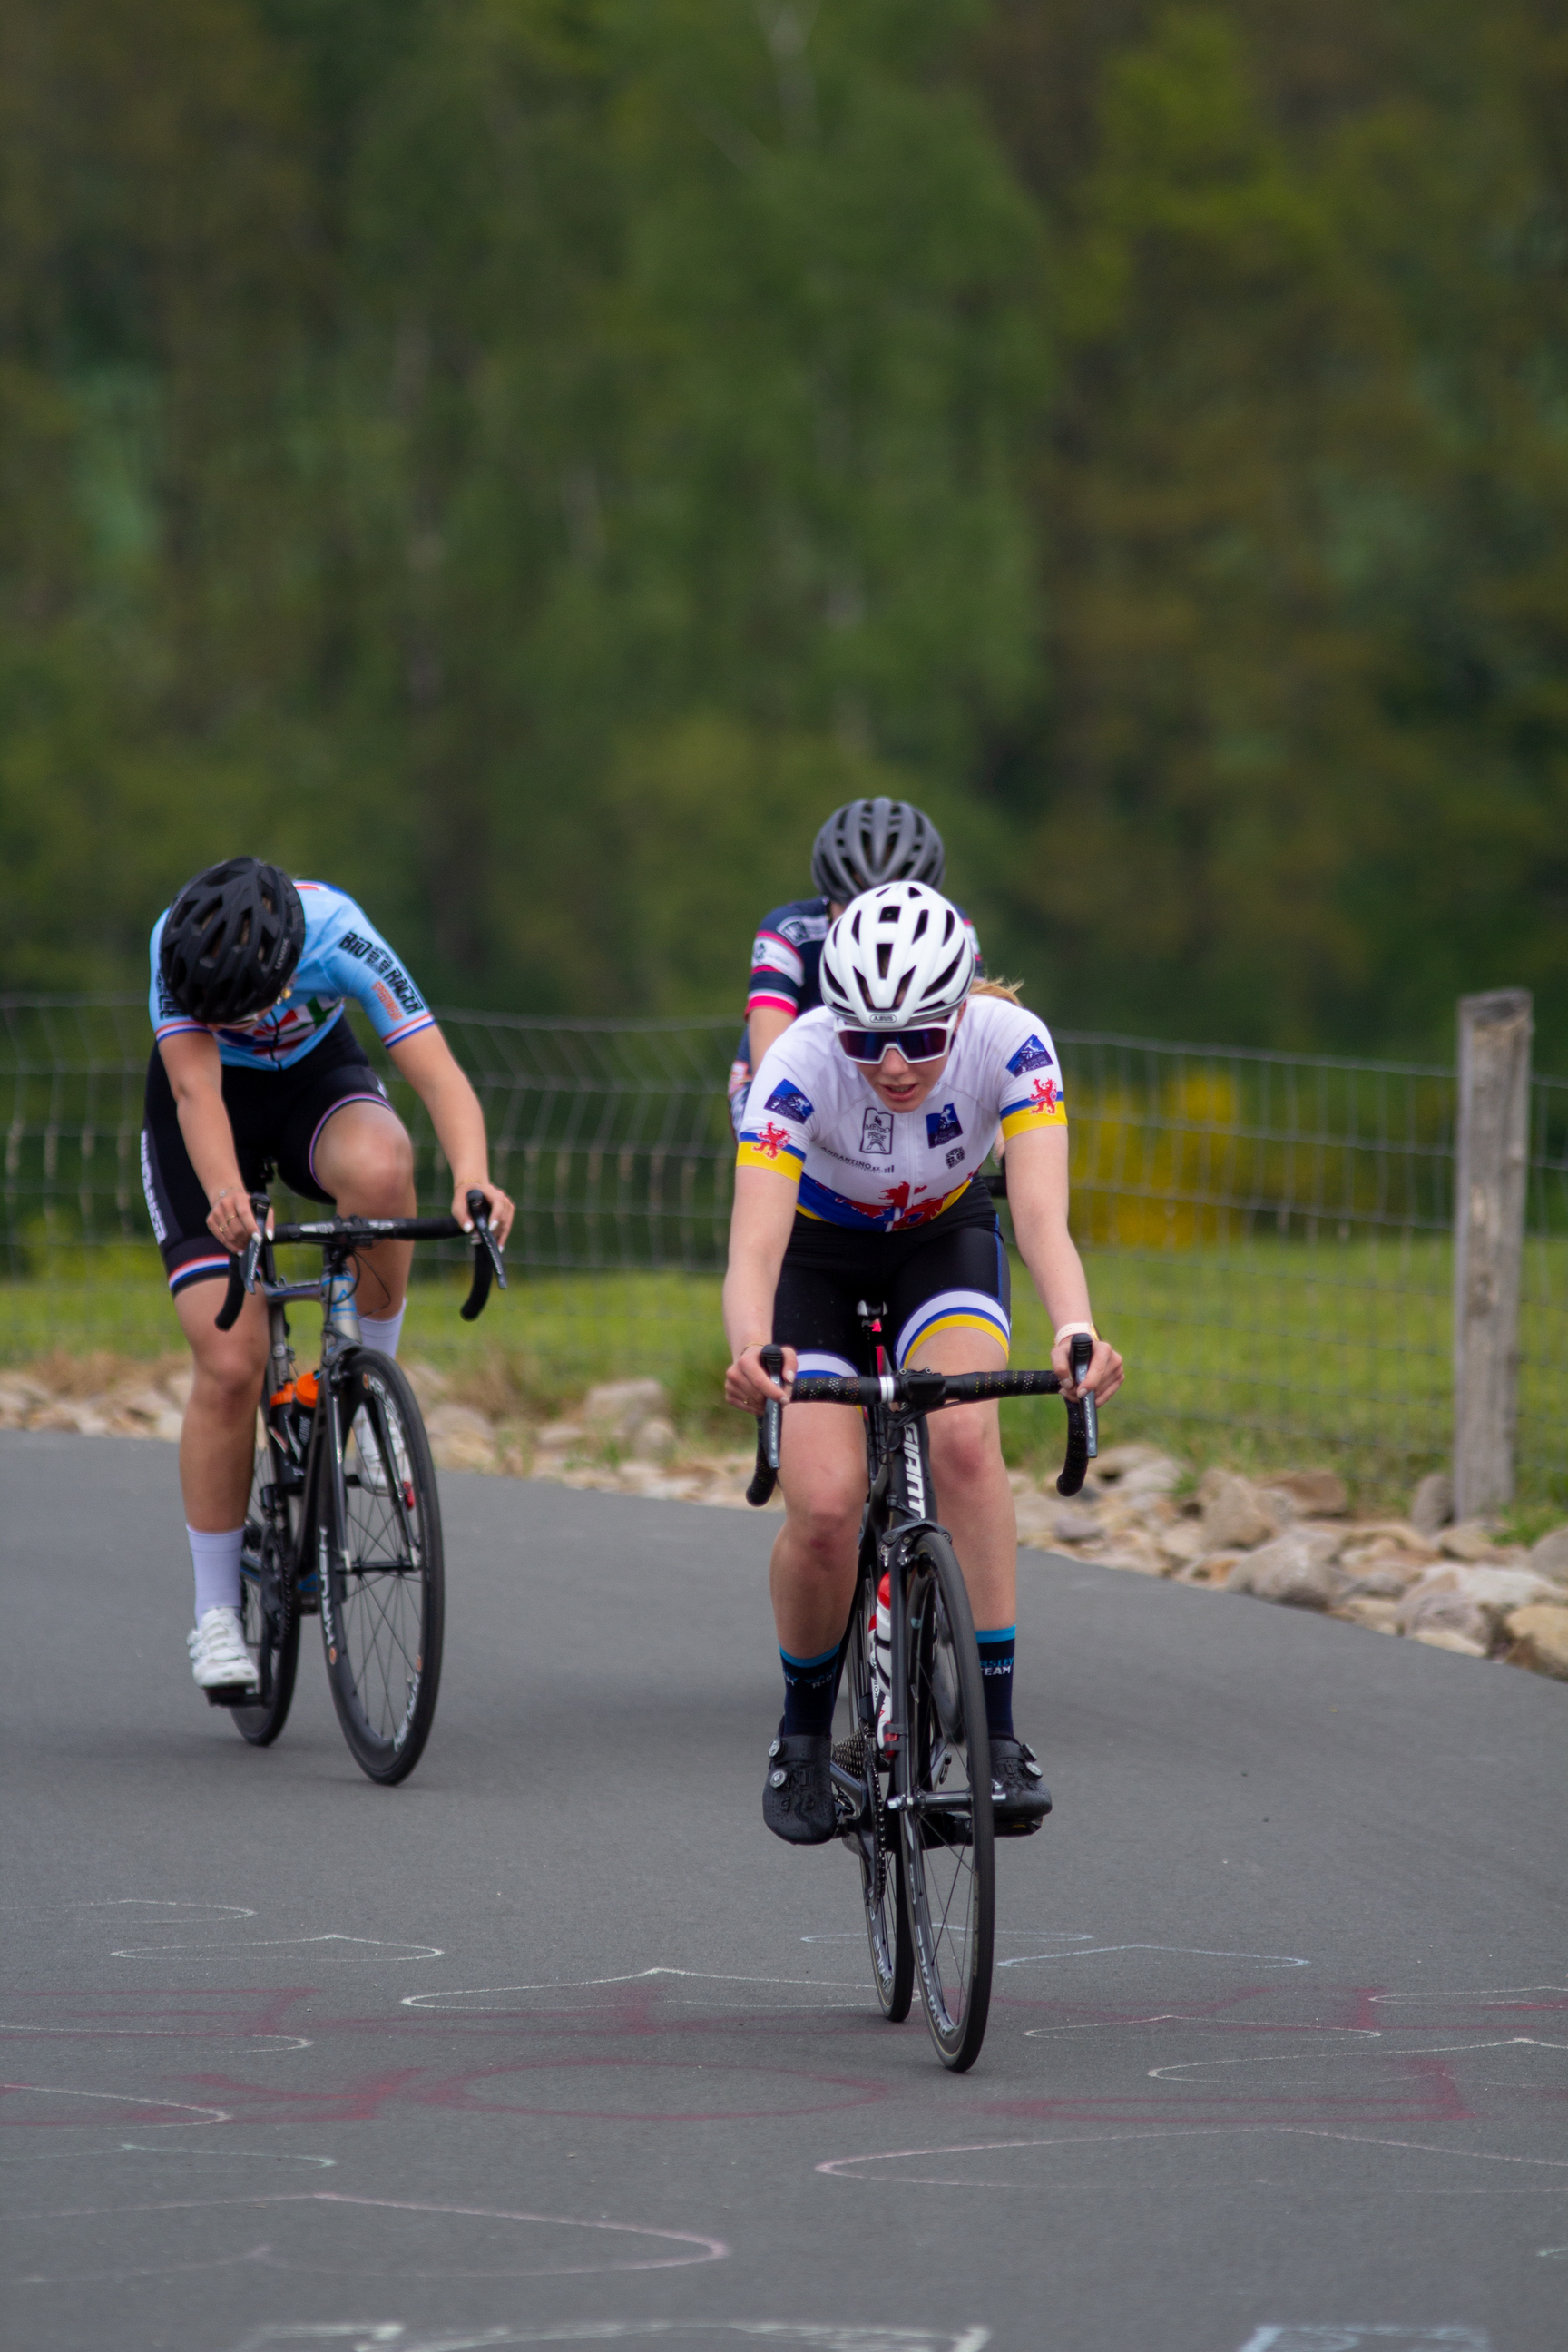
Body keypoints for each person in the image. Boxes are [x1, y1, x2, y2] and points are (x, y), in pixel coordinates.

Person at [721, 880, 1122, 1845]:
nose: (893, 1065)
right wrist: (752, 1348)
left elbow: (1039, 1219)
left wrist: (1076, 1329)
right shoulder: (801, 1066)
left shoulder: (1011, 1042)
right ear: (836, 1022)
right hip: (815, 1256)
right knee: (822, 1506)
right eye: (867, 1039)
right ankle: (804, 1738)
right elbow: (754, 1254)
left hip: (943, 1241)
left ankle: (1000, 1737)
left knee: (967, 1443)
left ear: (962, 1006)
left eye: (918, 1037)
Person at [141, 858, 514, 1694]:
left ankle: (366, 1387)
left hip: (314, 1081)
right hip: (208, 1115)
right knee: (230, 1361)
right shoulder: (174, 946)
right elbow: (197, 1097)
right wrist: (229, 1198)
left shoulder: (339, 930)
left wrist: (473, 1178)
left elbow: (437, 1071)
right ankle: (214, 1616)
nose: (237, 1017)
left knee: (385, 1170)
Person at [727, 796, 975, 1136]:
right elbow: (771, 1061)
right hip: (808, 1071)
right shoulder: (789, 929)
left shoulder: (953, 925)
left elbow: (977, 1035)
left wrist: (1003, 1143)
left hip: (900, 1070)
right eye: (851, 913)